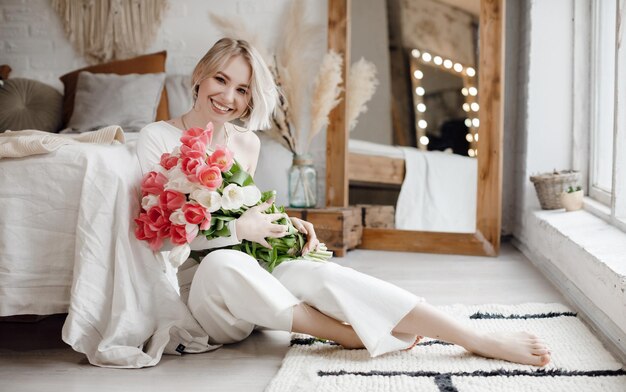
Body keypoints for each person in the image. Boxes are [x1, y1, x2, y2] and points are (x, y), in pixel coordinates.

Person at [137, 38, 551, 366]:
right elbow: (160, 243)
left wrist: (287, 226)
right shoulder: (157, 138)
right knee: (224, 264)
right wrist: (236, 230)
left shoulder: (245, 142)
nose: (229, 96)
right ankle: (349, 334)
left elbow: (248, 211)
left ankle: (472, 336)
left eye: (242, 89)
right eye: (221, 80)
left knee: (316, 273)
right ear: (199, 77)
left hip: (256, 284)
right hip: (206, 299)